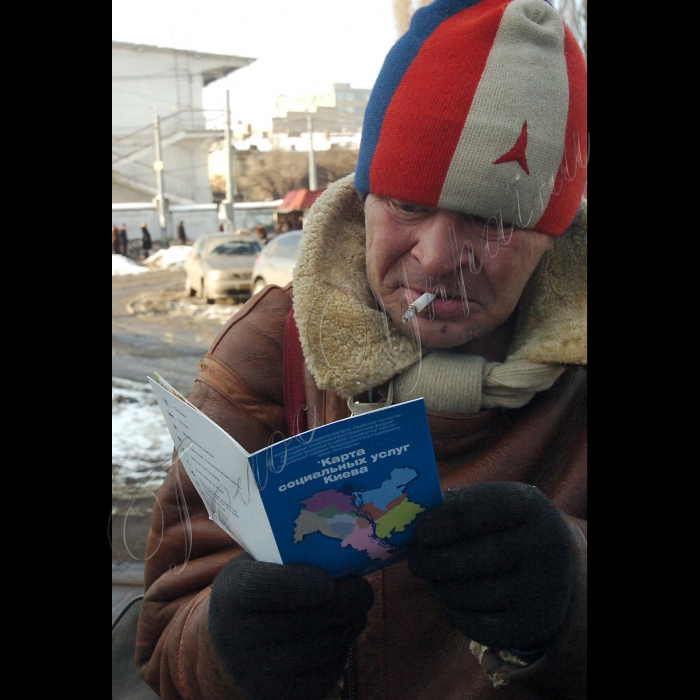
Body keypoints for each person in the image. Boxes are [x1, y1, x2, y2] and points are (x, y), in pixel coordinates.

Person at [136, 2, 587, 699]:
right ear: (367, 199)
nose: (438, 259)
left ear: (550, 237)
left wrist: (574, 598)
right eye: (407, 204)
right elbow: (165, 642)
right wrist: (229, 646)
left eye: (493, 221)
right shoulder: (269, 352)